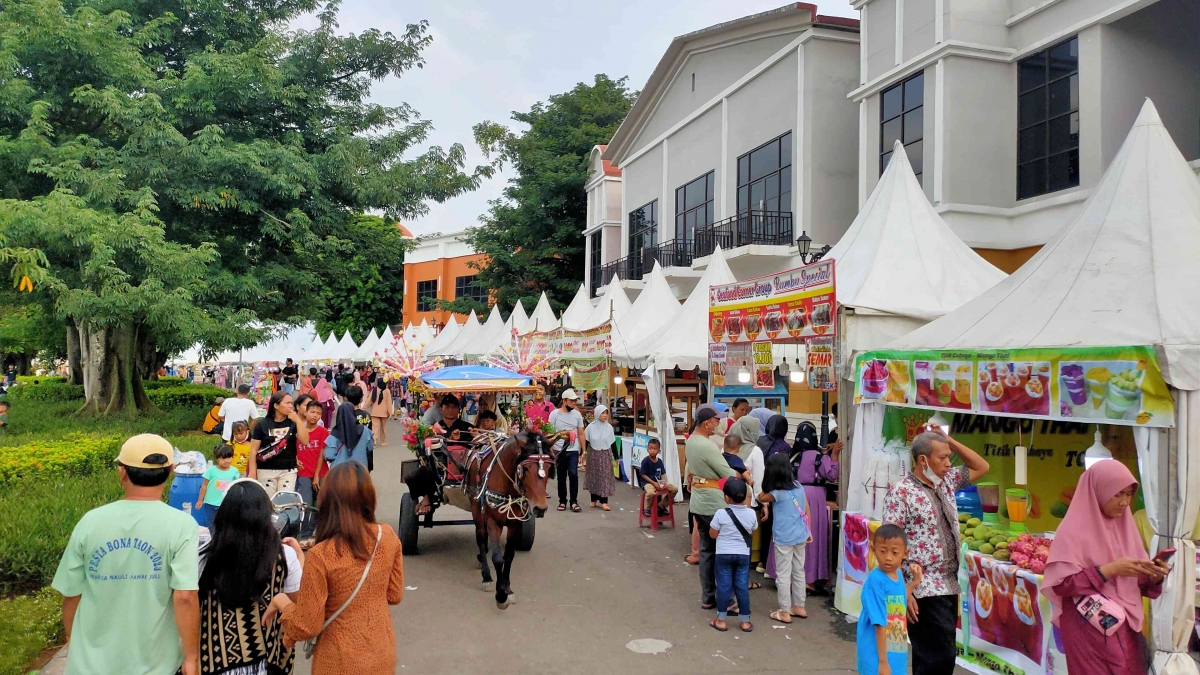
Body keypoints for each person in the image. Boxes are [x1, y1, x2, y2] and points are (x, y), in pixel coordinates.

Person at [51, 434, 200, 675]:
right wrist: (191, 657)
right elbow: (184, 597)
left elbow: (71, 594)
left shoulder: (91, 521)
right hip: (156, 664)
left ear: (121, 472)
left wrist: (74, 642)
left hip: (90, 665)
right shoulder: (182, 525)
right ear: (170, 471)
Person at [267, 462, 406, 675]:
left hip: (338, 660)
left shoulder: (322, 554)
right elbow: (394, 594)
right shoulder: (387, 537)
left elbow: (306, 625)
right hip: (381, 653)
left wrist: (282, 601)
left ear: (328, 501)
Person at [1042, 460, 1167, 675]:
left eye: (1128, 494)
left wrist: (1153, 575)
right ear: (1097, 491)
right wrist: (1110, 569)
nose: (1124, 502)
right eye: (1117, 494)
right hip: (1087, 627)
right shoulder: (1072, 531)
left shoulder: (1126, 529)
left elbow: (1137, 585)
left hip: (1125, 628)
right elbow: (1063, 585)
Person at [882, 427, 989, 675]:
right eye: (942, 457)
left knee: (935, 655)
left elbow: (981, 466)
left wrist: (948, 440)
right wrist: (902, 589)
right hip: (922, 585)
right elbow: (889, 545)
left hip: (949, 583)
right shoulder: (901, 493)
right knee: (938, 657)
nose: (949, 463)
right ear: (923, 460)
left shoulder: (946, 482)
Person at [199, 480, 302, 674]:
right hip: (269, 661)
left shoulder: (205, 557)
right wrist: (301, 560)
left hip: (217, 661)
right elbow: (298, 605)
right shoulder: (284, 556)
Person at [685, 406, 739, 610]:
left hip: (699, 501)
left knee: (707, 551)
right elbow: (727, 473)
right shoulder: (707, 446)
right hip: (714, 503)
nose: (719, 423)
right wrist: (743, 473)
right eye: (717, 420)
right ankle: (729, 601)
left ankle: (708, 597)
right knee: (724, 552)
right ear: (707, 423)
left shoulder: (692, 440)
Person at [857, 525, 922, 675]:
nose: (888, 557)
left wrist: (914, 583)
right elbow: (879, 622)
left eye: (894, 552)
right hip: (877, 652)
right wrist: (883, 662)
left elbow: (898, 600)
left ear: (905, 554)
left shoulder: (898, 575)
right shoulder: (876, 581)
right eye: (882, 551)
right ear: (873, 549)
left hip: (896, 647)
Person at [759, 452, 812, 623]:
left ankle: (784, 611)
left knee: (783, 574)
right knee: (799, 571)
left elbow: (761, 496)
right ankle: (799, 606)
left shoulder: (776, 493)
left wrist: (769, 481)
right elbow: (806, 509)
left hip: (784, 537)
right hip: (801, 534)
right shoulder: (799, 486)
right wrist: (809, 530)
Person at [405, 394, 472, 515]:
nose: (451, 409)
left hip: (466, 466)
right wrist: (449, 439)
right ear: (441, 409)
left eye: (454, 407)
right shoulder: (432, 429)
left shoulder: (468, 428)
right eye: (447, 406)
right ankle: (427, 496)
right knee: (415, 475)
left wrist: (476, 437)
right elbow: (427, 449)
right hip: (440, 466)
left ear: (459, 410)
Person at [790, 420, 837, 586]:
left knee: (793, 536)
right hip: (815, 496)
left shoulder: (793, 455)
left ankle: (789, 576)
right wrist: (835, 456)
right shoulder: (820, 457)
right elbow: (831, 475)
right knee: (813, 536)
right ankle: (810, 578)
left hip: (794, 494)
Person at [709, 477, 757, 633]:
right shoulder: (751, 514)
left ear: (726, 497)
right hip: (743, 555)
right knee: (742, 587)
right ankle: (745, 621)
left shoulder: (720, 513)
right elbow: (752, 532)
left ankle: (721, 620)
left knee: (723, 586)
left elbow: (713, 535)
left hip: (723, 554)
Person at [249, 391, 310, 496]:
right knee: (269, 501)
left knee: (285, 501)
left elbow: (305, 441)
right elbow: (254, 449)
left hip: (288, 470)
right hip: (266, 469)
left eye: (291, 403)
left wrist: (298, 421)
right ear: (276, 405)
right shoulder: (262, 424)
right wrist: (252, 472)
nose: (290, 406)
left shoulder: (293, 423)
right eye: (287, 403)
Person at [549, 389, 586, 512]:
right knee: (561, 476)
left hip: (573, 449)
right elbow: (550, 433)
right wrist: (551, 449)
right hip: (559, 450)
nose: (573, 403)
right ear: (564, 401)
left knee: (573, 474)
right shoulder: (554, 414)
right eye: (571, 401)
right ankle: (562, 501)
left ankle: (574, 501)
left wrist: (584, 451)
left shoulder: (577, 415)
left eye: (575, 401)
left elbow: (581, 433)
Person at [325, 388, 374, 469]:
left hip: (340, 471)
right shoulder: (365, 431)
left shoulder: (335, 434)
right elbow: (370, 447)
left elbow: (329, 455)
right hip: (361, 469)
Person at [297, 399, 331, 506]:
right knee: (306, 503)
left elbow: (322, 453)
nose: (315, 415)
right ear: (305, 412)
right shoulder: (298, 431)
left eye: (318, 413)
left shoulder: (323, 432)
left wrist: (316, 475)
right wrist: (295, 460)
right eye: (312, 412)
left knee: (321, 503)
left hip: (321, 473)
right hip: (303, 472)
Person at [584, 405, 616, 511]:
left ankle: (604, 501)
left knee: (605, 477)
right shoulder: (590, 427)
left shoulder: (609, 428)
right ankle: (593, 499)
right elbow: (586, 441)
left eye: (606, 413)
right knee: (594, 477)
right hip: (593, 454)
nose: (605, 415)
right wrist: (582, 454)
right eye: (602, 413)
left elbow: (613, 443)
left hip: (605, 454)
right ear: (597, 414)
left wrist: (616, 458)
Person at [198, 444, 239, 524]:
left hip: (227, 503)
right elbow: (204, 485)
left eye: (229, 457)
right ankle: (214, 536)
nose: (227, 460)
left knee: (225, 524)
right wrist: (200, 500)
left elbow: (236, 486)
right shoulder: (211, 471)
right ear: (217, 459)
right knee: (211, 524)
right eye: (223, 458)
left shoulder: (234, 471)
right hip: (210, 503)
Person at [639, 438, 677, 516]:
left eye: (655, 449)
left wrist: (663, 483)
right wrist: (653, 483)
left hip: (658, 482)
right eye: (651, 448)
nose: (652, 450)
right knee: (650, 493)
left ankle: (661, 505)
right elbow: (643, 475)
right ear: (647, 450)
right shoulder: (645, 461)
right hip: (647, 482)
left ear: (659, 451)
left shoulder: (659, 462)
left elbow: (662, 474)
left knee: (674, 489)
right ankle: (647, 509)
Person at [368, 373, 393, 447]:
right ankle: (383, 441)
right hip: (384, 413)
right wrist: (390, 412)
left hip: (374, 412)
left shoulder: (374, 390)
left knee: (374, 428)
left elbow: (369, 400)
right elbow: (389, 402)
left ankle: (374, 441)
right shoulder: (387, 391)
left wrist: (363, 407)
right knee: (383, 428)